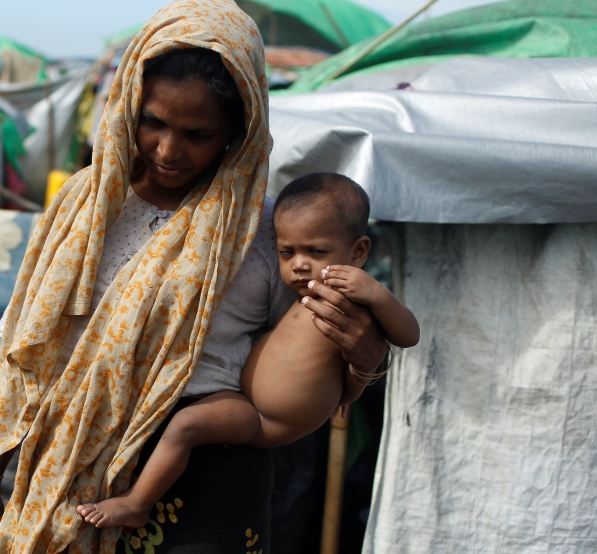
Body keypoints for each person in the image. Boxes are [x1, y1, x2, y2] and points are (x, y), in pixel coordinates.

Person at [0, 0, 389, 554]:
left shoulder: (269, 236)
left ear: (238, 132)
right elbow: (24, 356)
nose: (167, 150)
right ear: (128, 101)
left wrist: (363, 360)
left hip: (205, 487)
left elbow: (302, 372)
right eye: (153, 122)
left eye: (198, 134)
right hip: (64, 474)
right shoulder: (83, 206)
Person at [76, 172, 419, 529]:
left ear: (359, 251)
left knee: (186, 425)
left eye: (316, 251)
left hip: (267, 422)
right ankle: (137, 500)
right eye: (287, 252)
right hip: (243, 401)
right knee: (183, 426)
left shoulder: (356, 299)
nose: (300, 264)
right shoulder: (301, 294)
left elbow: (407, 336)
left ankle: (136, 503)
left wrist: (377, 294)